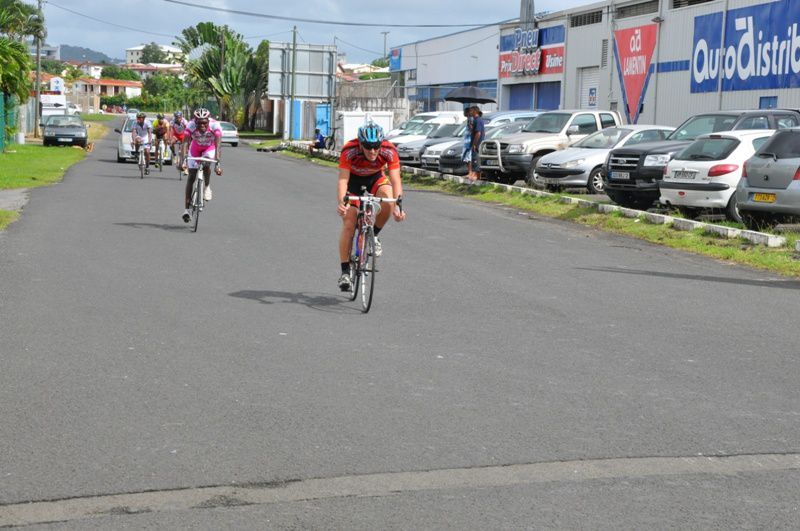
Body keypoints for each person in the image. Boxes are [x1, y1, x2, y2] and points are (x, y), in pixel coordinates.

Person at [336, 121, 406, 291]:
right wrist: (342, 203)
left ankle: (374, 235)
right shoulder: (349, 150)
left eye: (376, 146)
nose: (373, 151)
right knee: (349, 223)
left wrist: (398, 207)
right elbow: (343, 180)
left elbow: (396, 180)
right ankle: (345, 272)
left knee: (388, 199)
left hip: (375, 179)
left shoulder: (389, 150)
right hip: (353, 182)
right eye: (368, 146)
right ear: (360, 144)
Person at [180, 108, 223, 223]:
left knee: (206, 164)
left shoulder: (215, 126)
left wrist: (218, 163)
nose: (202, 125)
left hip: (209, 148)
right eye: (199, 123)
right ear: (195, 121)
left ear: (208, 121)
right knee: (191, 176)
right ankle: (186, 210)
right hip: (195, 148)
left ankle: (207, 187)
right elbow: (185, 143)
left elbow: (218, 146)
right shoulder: (190, 126)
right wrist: (183, 160)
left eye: (205, 122)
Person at [467, 106, 485, 180]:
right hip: (477, 143)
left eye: (471, 111)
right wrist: (471, 127)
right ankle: (477, 178)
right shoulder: (476, 120)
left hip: (477, 144)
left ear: (475, 111)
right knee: (475, 160)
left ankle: (477, 178)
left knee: (476, 160)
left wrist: (474, 144)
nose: (470, 112)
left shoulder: (478, 120)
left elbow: (478, 133)